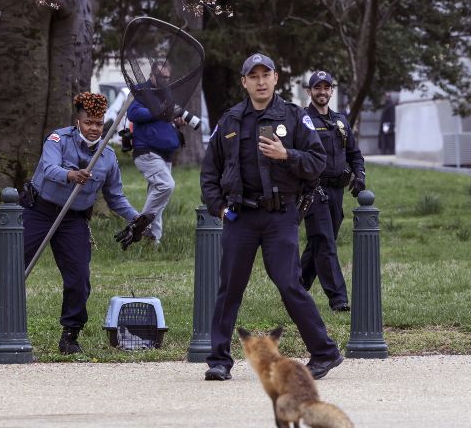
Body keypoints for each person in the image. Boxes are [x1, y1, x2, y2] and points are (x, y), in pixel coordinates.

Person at [199, 53, 344, 381]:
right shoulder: (231, 120)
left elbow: (317, 161)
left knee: (289, 283)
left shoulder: (293, 117)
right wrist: (219, 208)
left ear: (276, 79)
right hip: (241, 217)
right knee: (229, 288)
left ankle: (325, 352)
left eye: (267, 75)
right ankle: (219, 361)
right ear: (244, 82)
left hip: (280, 216)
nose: (261, 81)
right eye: (254, 76)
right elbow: (210, 171)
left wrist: (286, 154)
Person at [0, 92, 151, 355]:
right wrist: (71, 174)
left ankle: (70, 335)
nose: (94, 129)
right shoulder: (58, 139)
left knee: (79, 277)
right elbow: (49, 168)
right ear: (77, 122)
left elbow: (115, 196)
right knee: (10, 266)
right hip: (38, 211)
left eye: (98, 123)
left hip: (73, 219)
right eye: (88, 123)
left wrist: (137, 218)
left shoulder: (107, 157)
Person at [300, 70, 366, 312]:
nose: (322, 92)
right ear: (309, 91)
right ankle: (338, 298)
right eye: (317, 88)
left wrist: (359, 174)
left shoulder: (340, 121)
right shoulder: (302, 121)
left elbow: (354, 154)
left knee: (319, 242)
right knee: (325, 242)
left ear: (331, 91)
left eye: (326, 88)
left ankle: (296, 286)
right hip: (313, 191)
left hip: (336, 191)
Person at [126, 61, 187, 245]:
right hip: (146, 150)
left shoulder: (166, 93)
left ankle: (153, 240)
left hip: (165, 152)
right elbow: (133, 113)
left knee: (159, 195)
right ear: (152, 75)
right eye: (161, 77)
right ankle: (139, 226)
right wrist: (158, 111)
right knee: (166, 185)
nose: (164, 81)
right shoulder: (142, 91)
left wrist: (176, 123)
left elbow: (163, 121)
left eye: (167, 78)